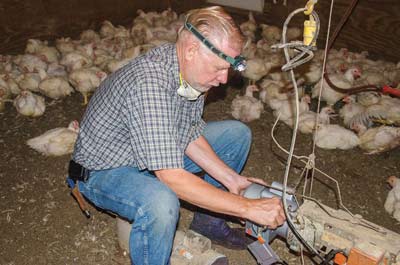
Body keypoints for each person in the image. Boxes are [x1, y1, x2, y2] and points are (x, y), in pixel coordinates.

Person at [70, 6, 286, 265]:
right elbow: (171, 177)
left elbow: (188, 133)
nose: (223, 78)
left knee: (236, 134)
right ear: (192, 50)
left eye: (228, 68)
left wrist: (234, 181)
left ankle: (209, 224)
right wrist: (247, 207)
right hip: (103, 170)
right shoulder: (149, 83)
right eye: (219, 67)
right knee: (161, 201)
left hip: (148, 151)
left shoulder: (188, 73)